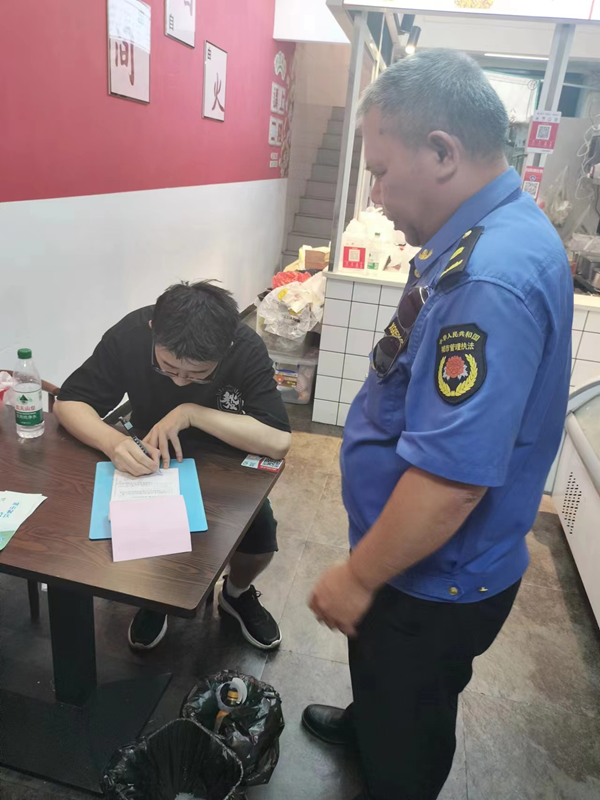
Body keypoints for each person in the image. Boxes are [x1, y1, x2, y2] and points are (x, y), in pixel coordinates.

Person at [302, 50, 573, 800]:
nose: (376, 194)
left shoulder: (489, 279)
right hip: (411, 559)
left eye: (382, 171)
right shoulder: (484, 233)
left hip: (432, 578)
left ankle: (389, 759)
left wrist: (358, 576)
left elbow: (451, 483)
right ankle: (369, 723)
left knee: (409, 726)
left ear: (442, 152)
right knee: (383, 680)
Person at [55, 280, 291, 652]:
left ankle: (236, 593)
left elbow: (278, 440)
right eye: (167, 367)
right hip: (152, 454)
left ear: (226, 347)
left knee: (260, 538)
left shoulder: (246, 347)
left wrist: (191, 413)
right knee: (145, 531)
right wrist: (113, 442)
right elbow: (69, 403)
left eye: (197, 374)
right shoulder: (131, 334)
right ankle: (157, 596)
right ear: (154, 331)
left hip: (226, 456)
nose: (180, 381)